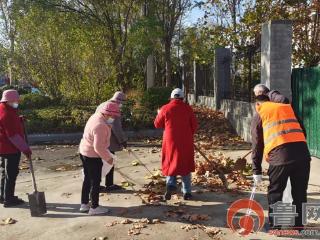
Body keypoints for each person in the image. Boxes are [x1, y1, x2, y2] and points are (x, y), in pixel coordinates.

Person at [251, 95, 311, 229]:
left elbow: (256, 145)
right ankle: (298, 226)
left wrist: (256, 170)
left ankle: (276, 226)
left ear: (257, 104)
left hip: (280, 158)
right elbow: (303, 131)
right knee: (300, 192)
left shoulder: (260, 112)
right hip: (303, 156)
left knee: (276, 192)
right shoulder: (287, 108)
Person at [154, 88, 198, 201]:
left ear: (171, 97)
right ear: (182, 98)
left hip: (170, 140)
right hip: (186, 140)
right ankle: (187, 192)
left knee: (170, 161)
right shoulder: (188, 108)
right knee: (185, 165)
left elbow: (157, 124)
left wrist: (159, 114)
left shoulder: (165, 108)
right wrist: (187, 134)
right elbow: (194, 126)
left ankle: (171, 184)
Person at [79, 101, 120, 215]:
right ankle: (94, 207)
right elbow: (98, 147)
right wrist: (109, 159)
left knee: (87, 178)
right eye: (113, 116)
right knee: (95, 181)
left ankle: (84, 204)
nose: (114, 118)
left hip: (84, 151)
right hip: (92, 155)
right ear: (107, 114)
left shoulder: (96, 116)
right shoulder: (100, 125)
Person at [0, 90, 32, 207]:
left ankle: (3, 196)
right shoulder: (7, 114)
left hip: (3, 147)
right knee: (11, 173)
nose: (17, 102)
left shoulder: (3, 108)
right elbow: (13, 136)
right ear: (8, 100)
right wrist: (25, 149)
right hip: (9, 148)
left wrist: (18, 120)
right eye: (16, 100)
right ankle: (9, 199)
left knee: (5, 171)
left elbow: (5, 125)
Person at [96, 91, 127, 192]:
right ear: (120, 101)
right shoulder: (114, 108)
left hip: (98, 137)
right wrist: (122, 140)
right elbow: (115, 127)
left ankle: (97, 184)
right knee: (110, 161)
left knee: (99, 162)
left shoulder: (102, 104)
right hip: (108, 140)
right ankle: (109, 184)